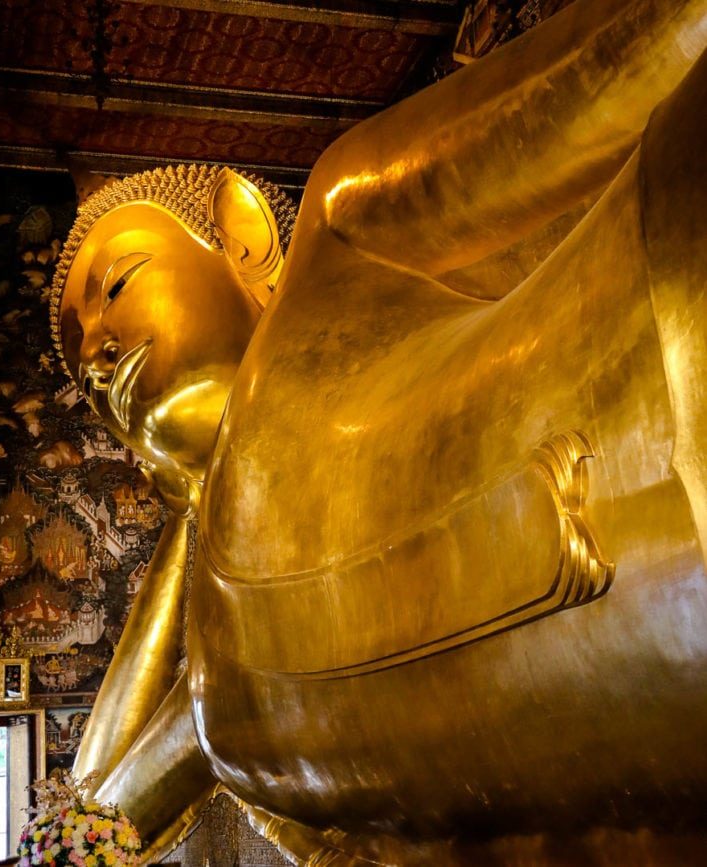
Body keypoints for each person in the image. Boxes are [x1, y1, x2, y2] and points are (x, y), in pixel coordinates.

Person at [51, 0, 707, 861]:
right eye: (82, 377)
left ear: (242, 240)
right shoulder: (222, 678)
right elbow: (94, 815)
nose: (96, 356)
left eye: (116, 285)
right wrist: (188, 512)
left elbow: (607, 71)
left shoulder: (338, 238)